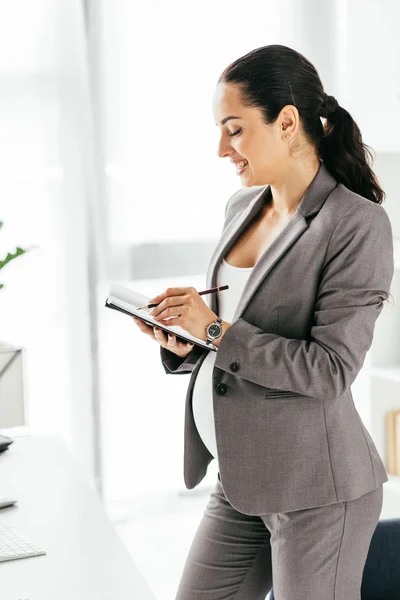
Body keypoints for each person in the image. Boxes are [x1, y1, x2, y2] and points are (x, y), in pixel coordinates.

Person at [133, 44, 394, 600]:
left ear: (287, 122)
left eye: (234, 129)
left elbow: (329, 370)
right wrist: (186, 339)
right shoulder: (240, 207)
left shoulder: (357, 224)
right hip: (242, 476)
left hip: (318, 489)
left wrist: (212, 332)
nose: (221, 148)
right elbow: (232, 332)